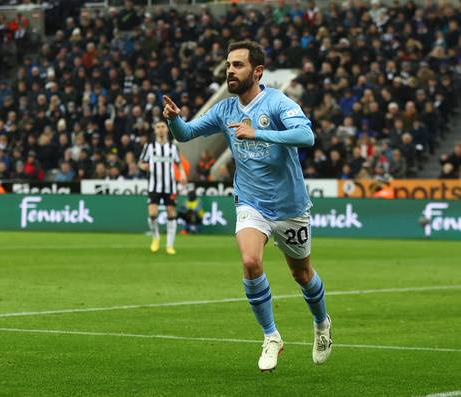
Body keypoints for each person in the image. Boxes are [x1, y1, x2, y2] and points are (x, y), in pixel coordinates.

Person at [162, 40, 332, 372]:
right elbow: (185, 134)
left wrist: (260, 134)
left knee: (302, 274)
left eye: (237, 65)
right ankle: (271, 336)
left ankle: (322, 324)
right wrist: (173, 119)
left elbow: (306, 136)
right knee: (250, 261)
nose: (230, 70)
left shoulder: (278, 102)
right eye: (228, 65)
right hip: (250, 202)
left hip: (290, 207)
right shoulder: (225, 110)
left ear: (257, 71)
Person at [138, 121, 186, 255]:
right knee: (152, 214)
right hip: (154, 185)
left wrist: (182, 174)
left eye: (163, 127)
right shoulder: (149, 147)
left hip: (170, 186)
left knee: (171, 213)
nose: (160, 129)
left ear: (167, 130)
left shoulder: (173, 147)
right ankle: (156, 238)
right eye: (158, 127)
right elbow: (141, 163)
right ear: (154, 131)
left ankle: (170, 245)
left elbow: (179, 164)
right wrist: (144, 166)